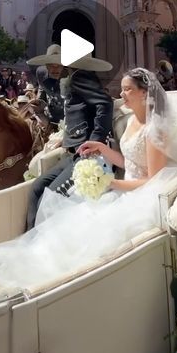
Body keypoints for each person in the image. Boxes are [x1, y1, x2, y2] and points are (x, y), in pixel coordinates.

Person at [0, 68, 177, 290]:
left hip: (141, 197)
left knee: (88, 235)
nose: (122, 95)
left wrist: (109, 183)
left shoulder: (154, 130)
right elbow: (130, 163)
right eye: (121, 89)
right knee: (69, 227)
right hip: (124, 189)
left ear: (144, 92)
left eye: (128, 89)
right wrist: (101, 148)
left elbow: (151, 179)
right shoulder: (132, 122)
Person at [24, 47, 113, 229]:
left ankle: (38, 241)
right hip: (72, 153)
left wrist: (96, 141)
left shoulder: (80, 77)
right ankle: (29, 237)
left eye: (58, 64)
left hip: (85, 156)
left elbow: (105, 102)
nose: (54, 68)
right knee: (36, 188)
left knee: (50, 198)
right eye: (51, 65)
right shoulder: (65, 81)